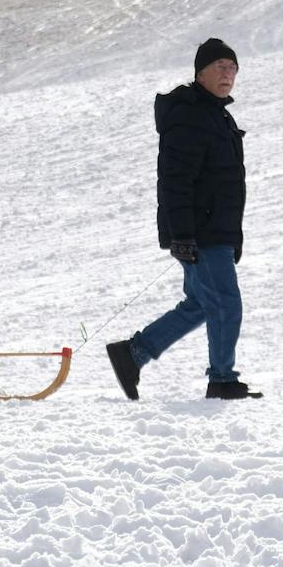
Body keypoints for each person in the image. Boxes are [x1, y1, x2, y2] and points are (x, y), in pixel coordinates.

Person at [105, 38, 259, 402]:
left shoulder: (217, 115)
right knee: (225, 304)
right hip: (201, 232)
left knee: (202, 304)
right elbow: (175, 179)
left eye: (233, 68)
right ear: (200, 73)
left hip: (215, 231)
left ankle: (133, 354)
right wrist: (182, 234)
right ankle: (222, 379)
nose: (228, 74)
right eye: (220, 67)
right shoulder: (191, 115)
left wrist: (233, 238)